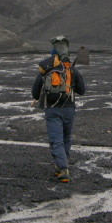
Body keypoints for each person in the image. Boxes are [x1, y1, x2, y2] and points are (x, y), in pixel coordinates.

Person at [31, 36, 85, 183]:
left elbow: (35, 93)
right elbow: (82, 90)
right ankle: (62, 164)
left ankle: (62, 168)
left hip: (52, 109)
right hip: (69, 109)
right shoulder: (71, 70)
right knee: (66, 138)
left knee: (56, 139)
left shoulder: (46, 71)